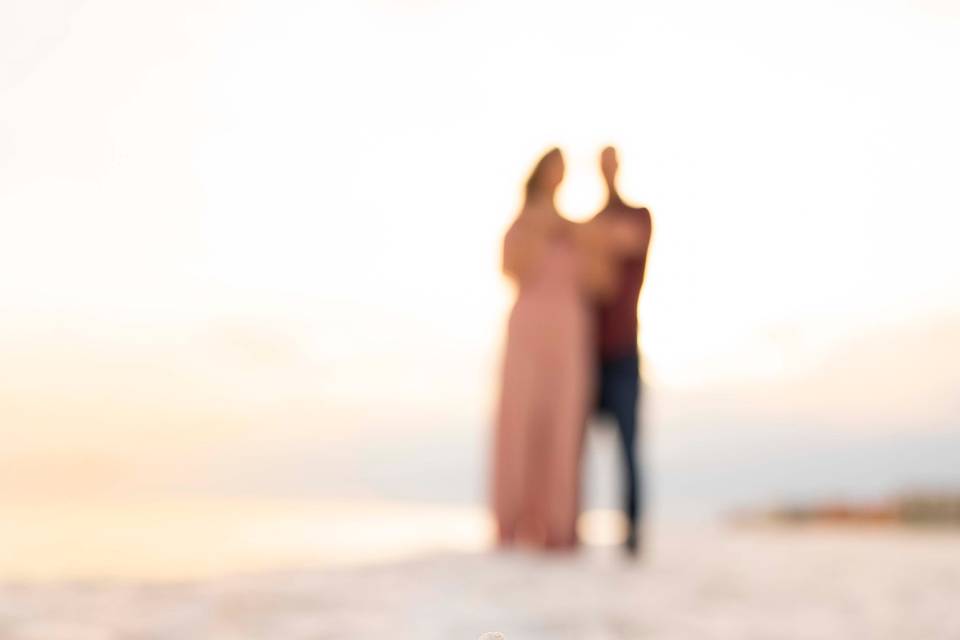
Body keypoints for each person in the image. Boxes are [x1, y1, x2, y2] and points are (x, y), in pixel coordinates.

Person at [492, 148, 645, 550]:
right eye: (554, 170)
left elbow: (605, 279)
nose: (559, 177)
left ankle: (559, 527)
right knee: (519, 423)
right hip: (529, 332)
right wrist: (554, 229)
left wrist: (576, 235)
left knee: (564, 428)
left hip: (571, 334)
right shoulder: (527, 225)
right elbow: (511, 266)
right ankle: (511, 524)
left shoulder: (582, 231)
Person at [590, 146, 653, 556]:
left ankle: (632, 532)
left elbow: (624, 244)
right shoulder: (593, 223)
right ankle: (568, 525)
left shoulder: (637, 216)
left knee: (629, 447)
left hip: (624, 350)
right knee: (572, 445)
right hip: (586, 352)